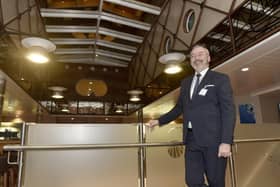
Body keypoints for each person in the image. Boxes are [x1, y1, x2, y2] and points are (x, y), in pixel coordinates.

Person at [147, 44, 236, 187]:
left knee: (216, 181)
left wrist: (226, 141)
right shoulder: (186, 82)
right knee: (192, 181)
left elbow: (228, 111)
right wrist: (158, 121)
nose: (196, 58)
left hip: (214, 141)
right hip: (191, 139)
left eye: (200, 54)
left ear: (209, 58)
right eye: (193, 56)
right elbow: (179, 108)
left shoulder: (220, 79)